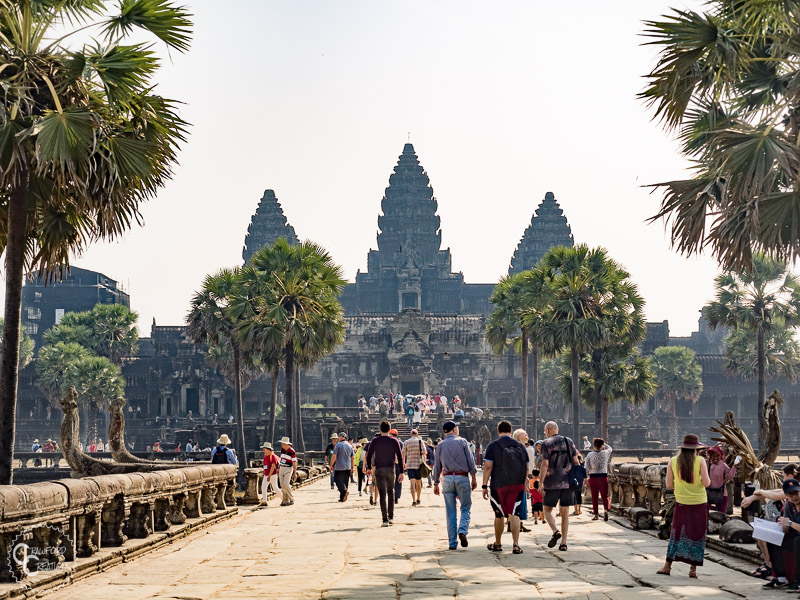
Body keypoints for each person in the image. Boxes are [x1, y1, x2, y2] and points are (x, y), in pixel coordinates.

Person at [657, 433, 710, 579]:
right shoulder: (700, 461)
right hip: (699, 502)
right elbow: (707, 483)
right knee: (697, 535)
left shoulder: (673, 461)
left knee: (677, 534)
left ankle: (667, 566)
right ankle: (693, 570)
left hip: (681, 503)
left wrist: (682, 487)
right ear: (696, 449)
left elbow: (668, 485)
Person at [482, 420, 529, 555]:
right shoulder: (520, 446)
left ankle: (498, 543)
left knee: (499, 514)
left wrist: (484, 485)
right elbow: (526, 467)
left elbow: (488, 467)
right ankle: (515, 545)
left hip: (498, 485)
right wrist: (525, 482)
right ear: (510, 430)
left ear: (498, 431)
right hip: (517, 485)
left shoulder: (493, 446)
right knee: (514, 513)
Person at [432, 420, 477, 549]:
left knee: (450, 512)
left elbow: (437, 466)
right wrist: (473, 477)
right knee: (465, 507)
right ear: (454, 429)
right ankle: (462, 530)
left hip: (447, 479)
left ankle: (452, 543)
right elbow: (470, 461)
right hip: (462, 477)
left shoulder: (440, 445)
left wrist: (435, 482)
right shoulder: (462, 442)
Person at [539, 421, 579, 552]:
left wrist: (540, 483)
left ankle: (555, 531)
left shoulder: (546, 443)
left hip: (551, 482)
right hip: (567, 482)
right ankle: (564, 543)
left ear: (548, 430)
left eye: (546, 430)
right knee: (565, 513)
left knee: (547, 510)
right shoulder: (569, 441)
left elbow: (545, 465)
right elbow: (576, 461)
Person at [365, 421, 404, 527]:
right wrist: (401, 472)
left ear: (380, 429)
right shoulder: (394, 441)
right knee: (391, 492)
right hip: (391, 469)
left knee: (382, 493)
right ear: (389, 429)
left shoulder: (375, 441)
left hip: (379, 469)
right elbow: (400, 457)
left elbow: (369, 455)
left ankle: (385, 520)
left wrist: (368, 468)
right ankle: (391, 517)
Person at [585, 438, 613, 521]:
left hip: (593, 477)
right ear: (602, 446)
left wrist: (587, 476)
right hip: (603, 477)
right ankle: (605, 510)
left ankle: (596, 515)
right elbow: (610, 449)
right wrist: (605, 444)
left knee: (594, 497)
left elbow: (587, 467)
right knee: (605, 496)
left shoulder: (590, 455)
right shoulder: (605, 453)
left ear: (594, 445)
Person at [706, 446, 737, 513]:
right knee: (706, 511)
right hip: (708, 493)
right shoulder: (707, 464)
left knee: (722, 515)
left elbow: (729, 476)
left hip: (721, 494)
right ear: (710, 456)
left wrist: (735, 466)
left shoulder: (723, 465)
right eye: (714, 456)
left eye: (718, 456)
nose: (716, 458)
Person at [402, 429, 426, 506]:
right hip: (418, 464)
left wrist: (403, 463)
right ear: (417, 434)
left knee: (412, 483)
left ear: (410, 434)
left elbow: (403, 454)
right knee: (418, 483)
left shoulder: (406, 442)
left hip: (410, 464)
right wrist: (424, 461)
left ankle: (413, 500)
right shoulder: (420, 441)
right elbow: (424, 452)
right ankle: (418, 498)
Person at [330, 431, 355, 502]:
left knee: (337, 480)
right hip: (348, 466)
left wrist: (331, 465)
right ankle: (342, 498)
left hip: (340, 466)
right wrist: (352, 467)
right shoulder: (350, 446)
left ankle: (344, 492)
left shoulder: (338, 445)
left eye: (339, 436)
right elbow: (352, 457)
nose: (338, 438)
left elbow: (334, 456)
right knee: (345, 482)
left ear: (341, 437)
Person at [278, 437, 298, 506]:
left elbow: (294, 462)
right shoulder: (282, 450)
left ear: (287, 444)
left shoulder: (292, 451)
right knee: (282, 485)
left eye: (283, 444)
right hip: (281, 467)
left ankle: (291, 498)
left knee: (286, 484)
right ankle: (285, 500)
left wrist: (295, 473)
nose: (282, 445)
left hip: (288, 468)